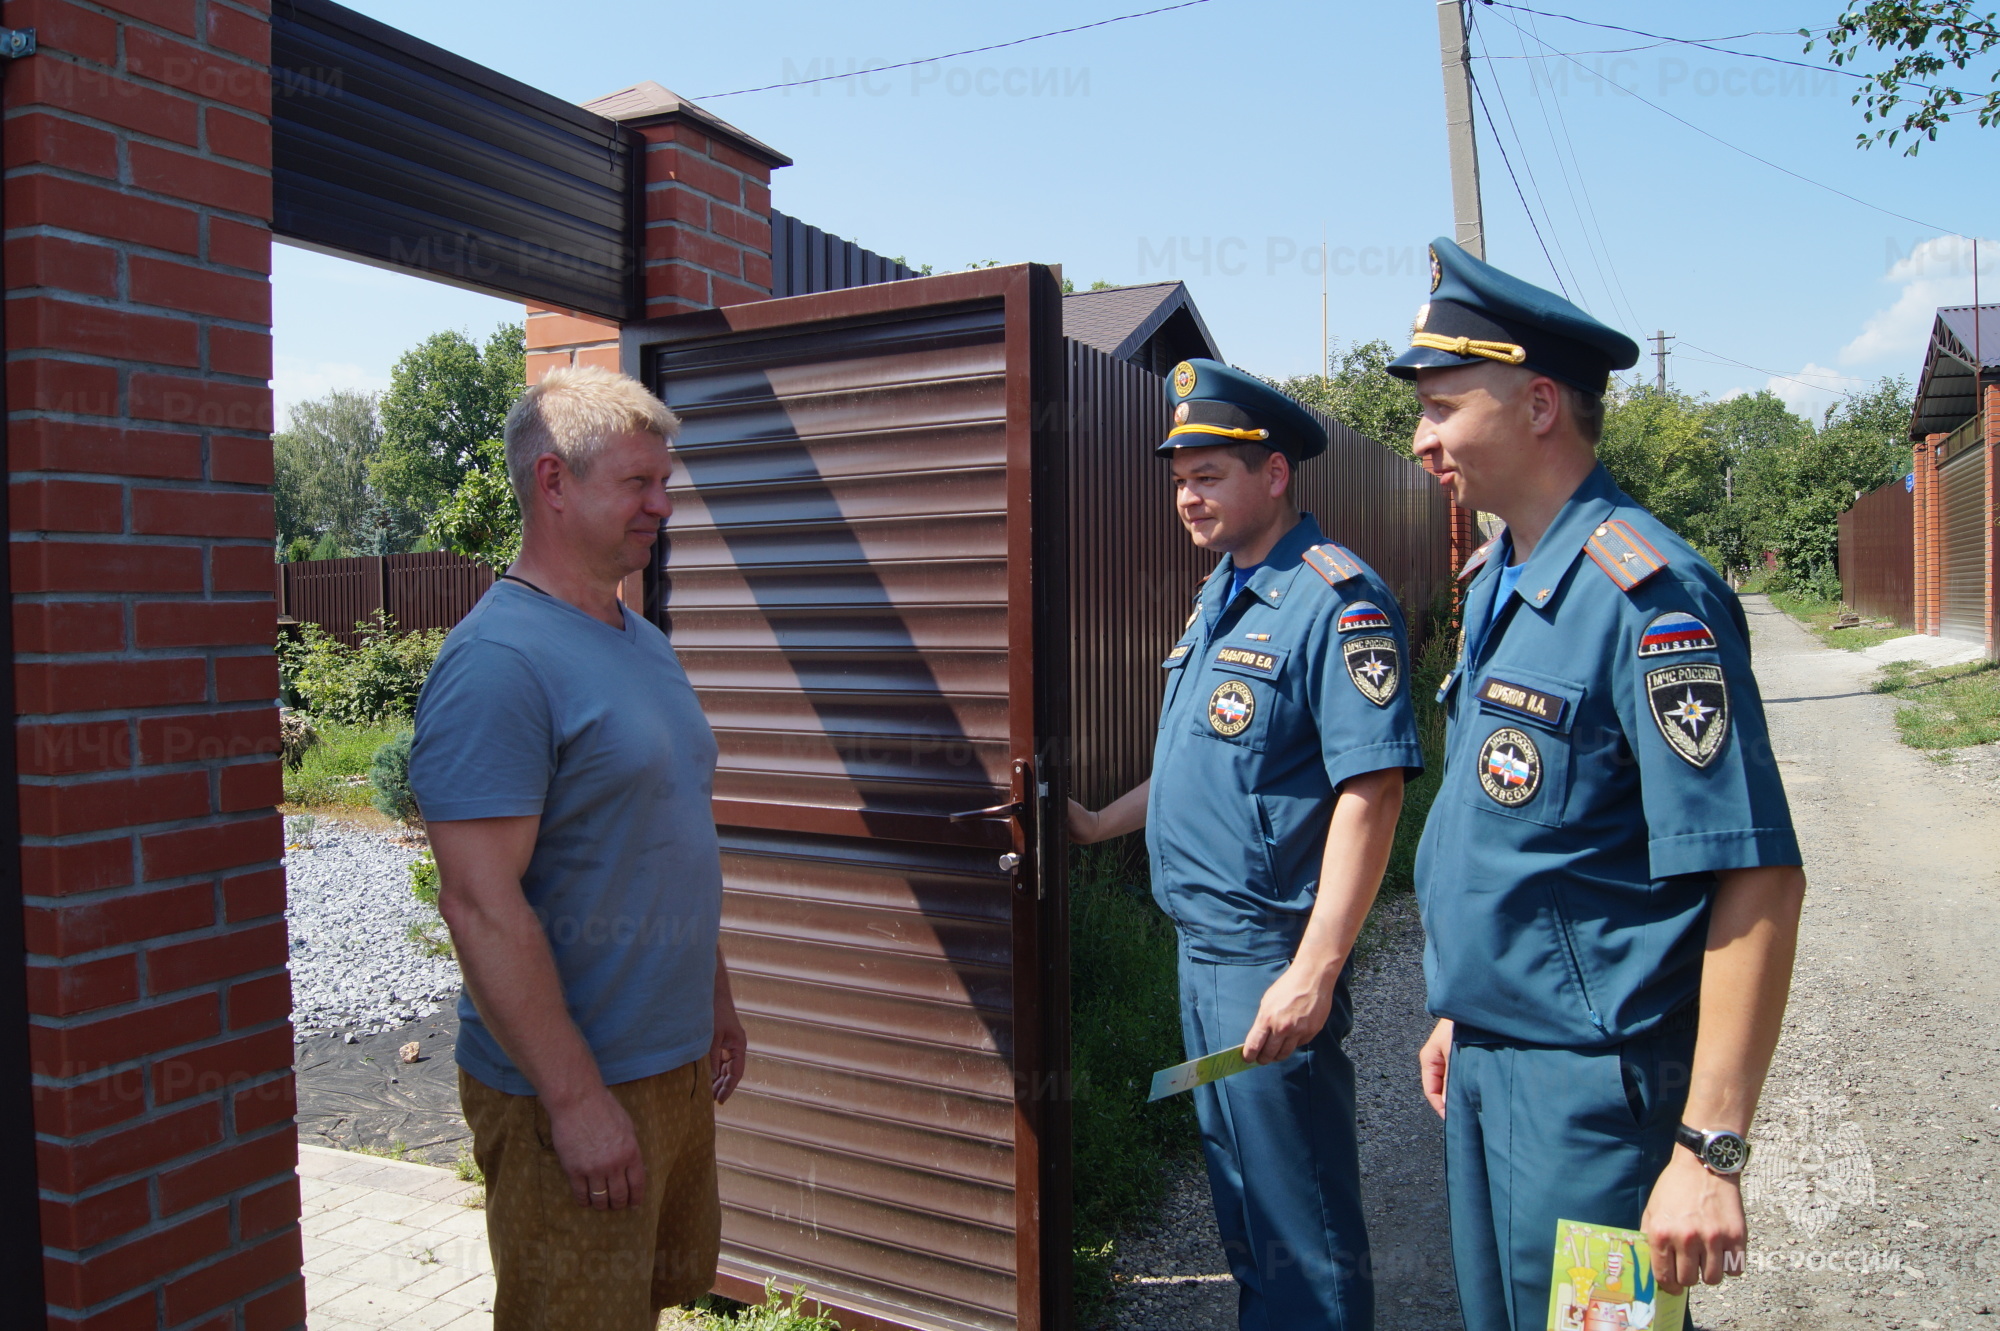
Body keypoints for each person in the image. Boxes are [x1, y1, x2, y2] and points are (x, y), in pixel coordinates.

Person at [1390, 238, 1805, 1330]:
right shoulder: (1501, 578)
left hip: (1592, 1105)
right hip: (1489, 1056)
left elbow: (1754, 875)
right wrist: (1459, 1005)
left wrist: (1707, 1148)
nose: (1419, 435)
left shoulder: (1648, 596)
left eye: (1439, 405)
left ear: (1536, 404)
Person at [1069, 359, 1423, 1329]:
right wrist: (1101, 823)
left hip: (1268, 955)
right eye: (1179, 477)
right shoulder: (1223, 593)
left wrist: (1313, 969)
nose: (1187, 495)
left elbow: (1373, 786)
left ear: (1273, 474)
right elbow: (1205, 763)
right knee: (1244, 1203)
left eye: (1210, 474)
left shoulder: (1333, 599)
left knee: (1295, 1222)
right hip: (1200, 950)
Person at [408, 365, 745, 1331]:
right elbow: (477, 901)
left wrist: (711, 998)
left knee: (647, 1300)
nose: (662, 504)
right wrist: (575, 1099)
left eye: (664, 481)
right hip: (575, 1090)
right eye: (638, 483)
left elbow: (666, 830)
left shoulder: (640, 639)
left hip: (668, 1065)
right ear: (554, 483)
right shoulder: (498, 664)